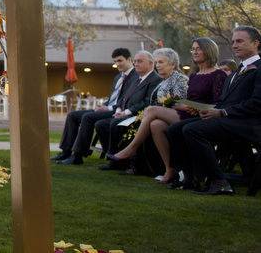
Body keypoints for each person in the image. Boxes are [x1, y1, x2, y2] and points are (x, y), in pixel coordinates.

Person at [108, 39, 226, 184]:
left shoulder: (218, 74)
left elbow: (219, 103)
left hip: (201, 116)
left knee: (151, 110)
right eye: (193, 49)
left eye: (198, 49)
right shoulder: (194, 75)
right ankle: (169, 170)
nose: (194, 51)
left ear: (209, 51)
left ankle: (132, 148)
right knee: (156, 125)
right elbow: (185, 100)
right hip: (185, 111)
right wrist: (178, 104)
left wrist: (180, 104)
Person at [167, 26, 261, 195]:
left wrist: (222, 112)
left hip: (250, 123)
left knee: (192, 130)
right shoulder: (236, 72)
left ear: (256, 43)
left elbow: (257, 103)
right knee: (174, 129)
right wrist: (210, 110)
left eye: (239, 41)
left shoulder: (258, 68)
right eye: (233, 42)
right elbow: (224, 102)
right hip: (229, 119)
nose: (234, 45)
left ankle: (219, 181)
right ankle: (191, 178)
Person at [54, 48, 135, 165]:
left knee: (88, 117)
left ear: (129, 59)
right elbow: (113, 96)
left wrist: (109, 108)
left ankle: (77, 156)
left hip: (119, 111)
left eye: (120, 61)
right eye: (115, 61)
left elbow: (125, 100)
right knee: (73, 115)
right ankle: (66, 151)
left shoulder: (135, 77)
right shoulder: (118, 77)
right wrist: (104, 105)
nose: (117, 64)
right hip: (108, 108)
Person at [96, 50, 162, 169]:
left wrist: (126, 112)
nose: (136, 64)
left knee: (114, 124)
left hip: (139, 115)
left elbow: (147, 102)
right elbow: (123, 98)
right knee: (101, 124)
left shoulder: (155, 79)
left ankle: (117, 162)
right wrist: (119, 110)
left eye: (140, 61)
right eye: (135, 61)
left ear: (151, 64)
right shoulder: (137, 78)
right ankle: (112, 156)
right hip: (124, 113)